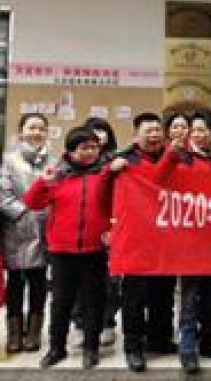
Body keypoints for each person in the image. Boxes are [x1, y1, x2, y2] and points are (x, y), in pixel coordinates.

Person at [23, 127, 125, 369]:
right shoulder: (58, 175)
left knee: (94, 301)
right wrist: (42, 182)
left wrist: (113, 229)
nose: (90, 152)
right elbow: (32, 203)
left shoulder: (105, 174)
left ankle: (91, 348)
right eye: (84, 148)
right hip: (61, 251)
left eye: (94, 147)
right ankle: (56, 348)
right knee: (61, 302)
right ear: (70, 151)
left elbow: (118, 205)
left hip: (95, 250)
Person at [155, 110, 211, 374]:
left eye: (204, 130)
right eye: (194, 130)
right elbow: (157, 180)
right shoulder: (181, 157)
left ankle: (209, 341)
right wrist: (170, 156)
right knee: (190, 294)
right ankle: (187, 346)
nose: (198, 135)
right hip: (190, 238)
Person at [118, 113, 179, 372]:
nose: (154, 135)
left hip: (165, 238)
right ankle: (133, 346)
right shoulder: (125, 161)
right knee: (134, 297)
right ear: (136, 135)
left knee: (163, 294)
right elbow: (154, 179)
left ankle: (159, 338)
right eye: (148, 131)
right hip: (136, 239)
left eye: (157, 130)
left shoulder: (174, 156)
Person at [0, 113, 56, 353]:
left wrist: (47, 215)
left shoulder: (54, 161)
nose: (37, 132)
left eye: (41, 128)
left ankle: (34, 332)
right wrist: (25, 213)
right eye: (32, 128)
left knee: (39, 281)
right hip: (16, 229)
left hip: (44, 230)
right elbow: (3, 195)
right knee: (15, 282)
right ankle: (14, 333)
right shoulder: (9, 161)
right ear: (21, 132)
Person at [70, 117, 120, 348]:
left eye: (102, 130)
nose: (98, 134)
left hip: (112, 228)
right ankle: (80, 325)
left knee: (109, 281)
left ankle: (107, 323)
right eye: (93, 130)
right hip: (82, 231)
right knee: (80, 281)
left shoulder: (118, 160)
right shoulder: (74, 163)